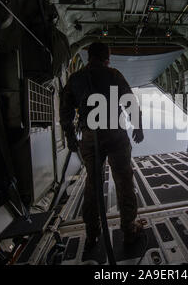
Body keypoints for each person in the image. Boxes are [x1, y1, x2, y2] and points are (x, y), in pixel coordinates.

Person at [60, 42, 145, 249]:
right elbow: (129, 102)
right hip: (114, 134)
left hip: (89, 137)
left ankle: (92, 233)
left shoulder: (75, 78)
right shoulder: (113, 75)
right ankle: (129, 230)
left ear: (89, 57)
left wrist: (71, 137)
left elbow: (65, 112)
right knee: (124, 180)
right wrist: (137, 126)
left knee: (93, 183)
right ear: (106, 57)